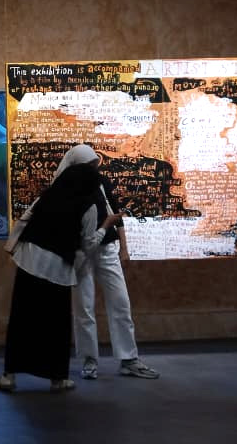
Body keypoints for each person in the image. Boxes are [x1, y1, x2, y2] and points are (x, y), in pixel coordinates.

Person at [0, 148, 122, 393]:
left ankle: (9, 376)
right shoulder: (89, 204)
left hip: (29, 261)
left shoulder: (51, 193)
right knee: (55, 325)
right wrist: (106, 225)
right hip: (58, 270)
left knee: (22, 321)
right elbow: (88, 244)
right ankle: (57, 378)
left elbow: (27, 219)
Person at [62, 146, 161, 380]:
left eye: (94, 164)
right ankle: (89, 359)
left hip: (106, 248)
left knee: (120, 302)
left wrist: (123, 248)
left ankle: (128, 358)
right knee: (84, 308)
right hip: (81, 253)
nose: (94, 169)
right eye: (89, 165)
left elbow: (115, 215)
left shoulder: (101, 182)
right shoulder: (66, 188)